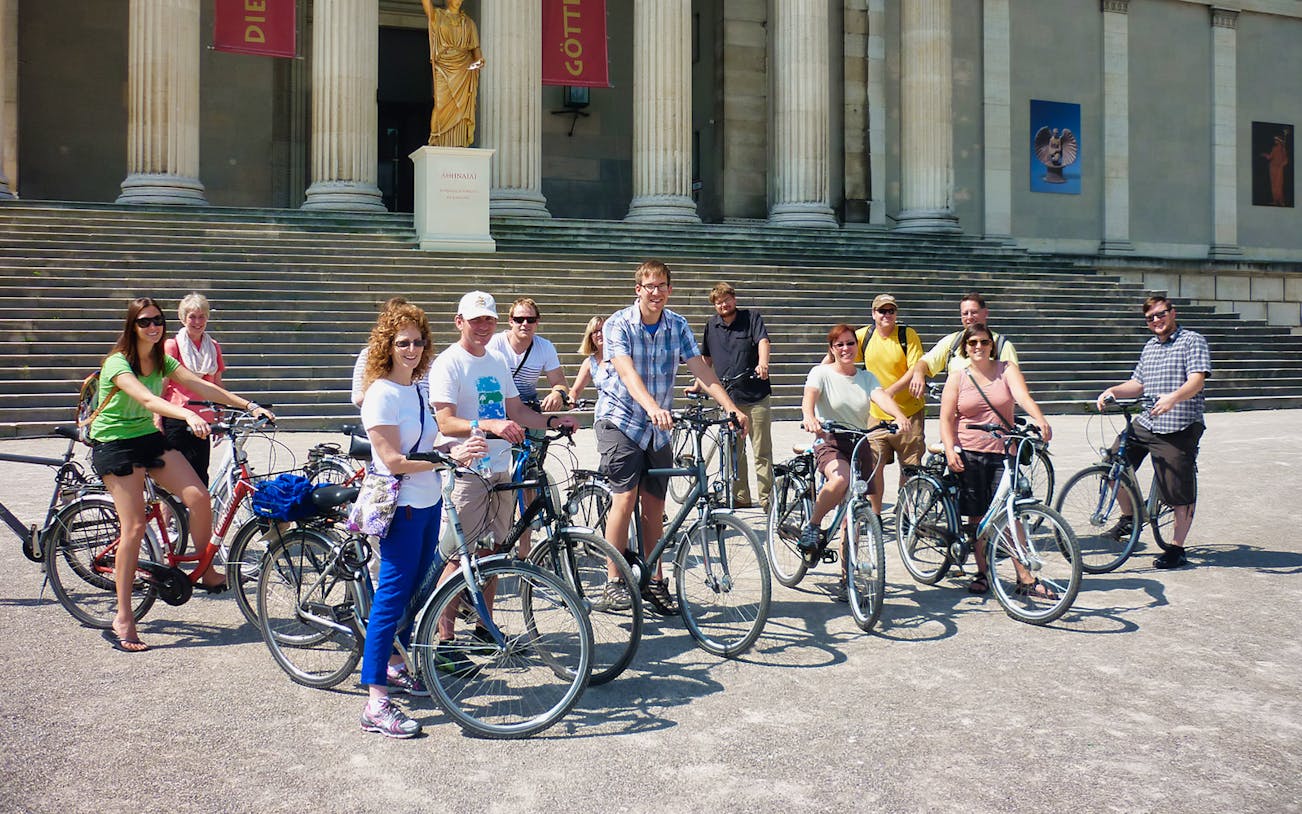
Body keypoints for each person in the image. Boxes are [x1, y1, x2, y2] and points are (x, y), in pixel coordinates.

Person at [88, 297, 273, 653]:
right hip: (115, 443)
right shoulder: (117, 362)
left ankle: (204, 568)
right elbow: (146, 399)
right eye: (144, 322)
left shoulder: (162, 358)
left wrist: (248, 405)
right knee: (135, 527)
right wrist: (186, 415)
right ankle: (124, 614)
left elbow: (200, 385)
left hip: (146, 438)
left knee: (198, 496)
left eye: (157, 320)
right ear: (133, 326)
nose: (153, 327)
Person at [356, 302, 484, 739]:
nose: (412, 349)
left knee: (415, 591)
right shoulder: (381, 393)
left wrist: (456, 450)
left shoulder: (414, 388)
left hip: (428, 504)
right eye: (402, 342)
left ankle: (394, 665)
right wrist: (443, 459)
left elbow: (428, 446)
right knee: (390, 600)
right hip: (401, 508)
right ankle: (375, 703)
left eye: (418, 341)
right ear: (386, 346)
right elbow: (392, 460)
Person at [428, 291, 579, 649]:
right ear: (459, 322)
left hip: (500, 467)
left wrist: (554, 419)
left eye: (488, 320)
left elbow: (518, 412)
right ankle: (445, 640)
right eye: (476, 320)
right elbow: (445, 422)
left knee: (495, 553)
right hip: (466, 468)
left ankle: (484, 628)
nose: (483, 327)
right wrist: (491, 426)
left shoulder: (496, 360)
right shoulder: (449, 363)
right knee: (456, 557)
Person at [597, 261, 749, 614]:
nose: (656, 292)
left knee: (655, 508)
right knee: (625, 496)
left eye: (662, 285)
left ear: (669, 289)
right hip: (621, 419)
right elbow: (626, 371)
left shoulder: (677, 324)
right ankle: (613, 581)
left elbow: (700, 369)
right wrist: (651, 406)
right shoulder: (618, 323)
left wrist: (730, 407)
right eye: (649, 285)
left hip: (658, 429)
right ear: (638, 290)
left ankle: (654, 581)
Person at [1095, 296, 1211, 569]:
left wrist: (1173, 398)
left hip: (1180, 425)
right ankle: (1130, 517)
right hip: (1148, 422)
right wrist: (1113, 391)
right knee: (1111, 464)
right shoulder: (1149, 347)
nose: (1157, 321)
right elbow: (1138, 384)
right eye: (1151, 318)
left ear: (1173, 313)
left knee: (1177, 490)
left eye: (1161, 314)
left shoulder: (1192, 341)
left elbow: (1197, 380)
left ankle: (1177, 548)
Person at [939, 322, 1054, 595]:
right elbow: (946, 417)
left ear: (992, 345)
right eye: (973, 343)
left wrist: (1040, 419)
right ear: (965, 348)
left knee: (1011, 513)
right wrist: (948, 449)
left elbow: (1022, 396)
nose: (979, 347)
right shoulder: (958, 377)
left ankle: (1025, 577)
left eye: (984, 342)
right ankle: (983, 573)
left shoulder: (1006, 369)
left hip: (1004, 451)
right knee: (977, 517)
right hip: (970, 451)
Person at [801, 324, 913, 600]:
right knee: (841, 480)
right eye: (839, 345)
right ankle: (813, 526)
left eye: (850, 344)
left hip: (859, 442)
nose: (845, 349)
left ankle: (846, 577)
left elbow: (881, 397)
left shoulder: (866, 377)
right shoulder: (822, 373)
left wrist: (898, 415)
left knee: (854, 517)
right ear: (832, 349)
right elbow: (809, 399)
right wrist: (810, 417)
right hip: (830, 439)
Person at [829, 294, 925, 518]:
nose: (887, 315)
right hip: (876, 414)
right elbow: (841, 349)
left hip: (908, 412)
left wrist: (890, 391)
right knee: (874, 466)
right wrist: (821, 372)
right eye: (882, 311)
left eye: (891, 311)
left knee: (910, 467)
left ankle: (906, 515)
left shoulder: (906, 335)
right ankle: (875, 515)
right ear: (873, 314)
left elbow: (914, 367)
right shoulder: (865, 336)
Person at [687, 282, 774, 510]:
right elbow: (705, 360)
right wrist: (698, 385)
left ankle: (767, 500)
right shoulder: (711, 326)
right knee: (735, 451)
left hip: (756, 394)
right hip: (730, 398)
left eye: (726, 299)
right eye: (718, 302)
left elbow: (763, 341)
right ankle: (741, 496)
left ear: (734, 299)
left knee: (761, 450)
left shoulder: (751, 318)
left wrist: (763, 363)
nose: (723, 304)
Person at [160, 293, 225, 485]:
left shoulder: (213, 346)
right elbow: (162, 385)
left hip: (203, 418)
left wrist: (220, 416)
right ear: (183, 318)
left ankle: (194, 516)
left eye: (202, 316)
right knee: (174, 479)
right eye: (192, 317)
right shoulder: (172, 346)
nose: (197, 321)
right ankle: (168, 516)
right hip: (177, 417)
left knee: (200, 476)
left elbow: (216, 385)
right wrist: (156, 419)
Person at [909, 292, 1020, 399]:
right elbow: (925, 362)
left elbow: (1014, 383)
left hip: (991, 413)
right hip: (958, 414)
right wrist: (918, 374)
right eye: (965, 313)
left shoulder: (1002, 345)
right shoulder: (951, 342)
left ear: (985, 313)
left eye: (974, 312)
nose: (969, 317)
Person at [487, 297, 569, 413]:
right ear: (511, 321)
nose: (525, 324)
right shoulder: (494, 344)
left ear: (537, 322)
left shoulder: (545, 347)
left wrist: (558, 393)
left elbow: (560, 382)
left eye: (530, 319)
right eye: (519, 319)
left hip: (527, 408)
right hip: (497, 406)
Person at [420, 0, 484, 148]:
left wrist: (479, 61)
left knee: (461, 107)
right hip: (444, 66)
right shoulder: (437, 15)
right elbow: (426, 3)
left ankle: (459, 142)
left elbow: (476, 50)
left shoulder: (469, 23)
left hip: (464, 68)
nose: (459, 1)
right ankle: (436, 139)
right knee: (440, 104)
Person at [568, 316, 612, 404]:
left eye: (602, 330)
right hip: (605, 411)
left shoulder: (622, 356)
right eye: (595, 332)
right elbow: (575, 392)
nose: (599, 334)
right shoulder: (589, 363)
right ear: (591, 337)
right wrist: (570, 401)